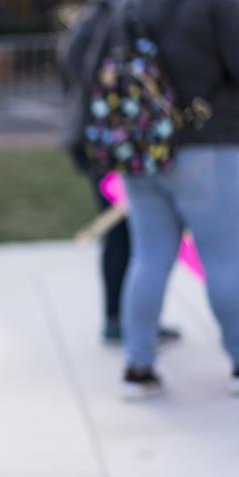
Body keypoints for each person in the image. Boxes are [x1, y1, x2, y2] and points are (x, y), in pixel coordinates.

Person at [117, 0, 239, 399]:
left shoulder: (131, 6)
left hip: (143, 146)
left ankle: (138, 367)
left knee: (148, 257)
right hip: (207, 145)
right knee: (225, 259)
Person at [57, 0, 181, 347]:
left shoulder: (93, 18)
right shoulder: (118, 17)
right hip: (112, 145)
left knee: (132, 233)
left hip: (100, 140)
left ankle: (131, 317)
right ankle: (122, 319)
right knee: (128, 232)